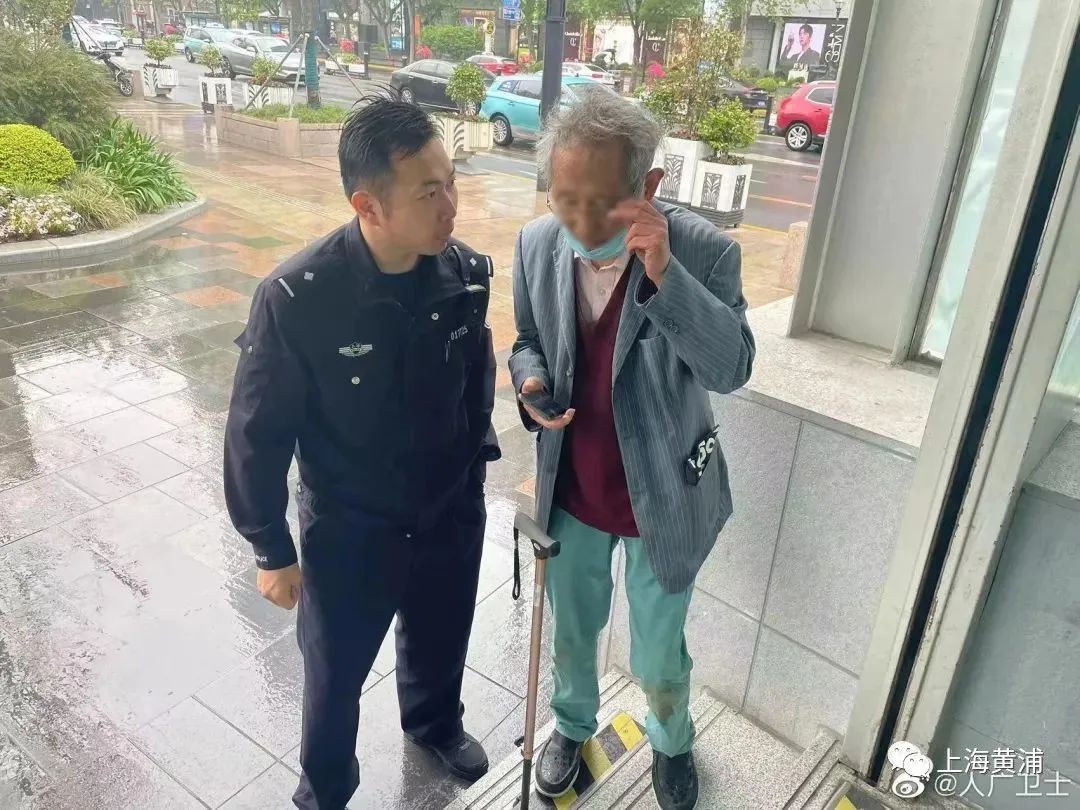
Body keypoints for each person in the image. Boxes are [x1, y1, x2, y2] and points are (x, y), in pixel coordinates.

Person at [224, 98, 500, 810]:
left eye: (451, 182)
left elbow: (476, 377)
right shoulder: (299, 296)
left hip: (446, 508)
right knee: (334, 670)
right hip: (351, 524)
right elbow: (257, 430)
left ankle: (435, 724)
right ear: (368, 206)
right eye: (429, 192)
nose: (451, 205)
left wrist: (473, 473)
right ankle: (326, 787)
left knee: (443, 631)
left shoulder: (465, 272)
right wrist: (270, 546)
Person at [508, 86, 755, 810]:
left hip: (664, 497)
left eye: (602, 204)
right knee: (572, 632)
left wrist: (665, 276)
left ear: (648, 186)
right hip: (575, 489)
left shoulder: (704, 252)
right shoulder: (537, 243)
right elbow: (528, 339)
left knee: (656, 650)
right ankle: (570, 725)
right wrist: (529, 380)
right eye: (564, 200)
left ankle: (671, 739)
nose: (581, 224)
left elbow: (732, 368)